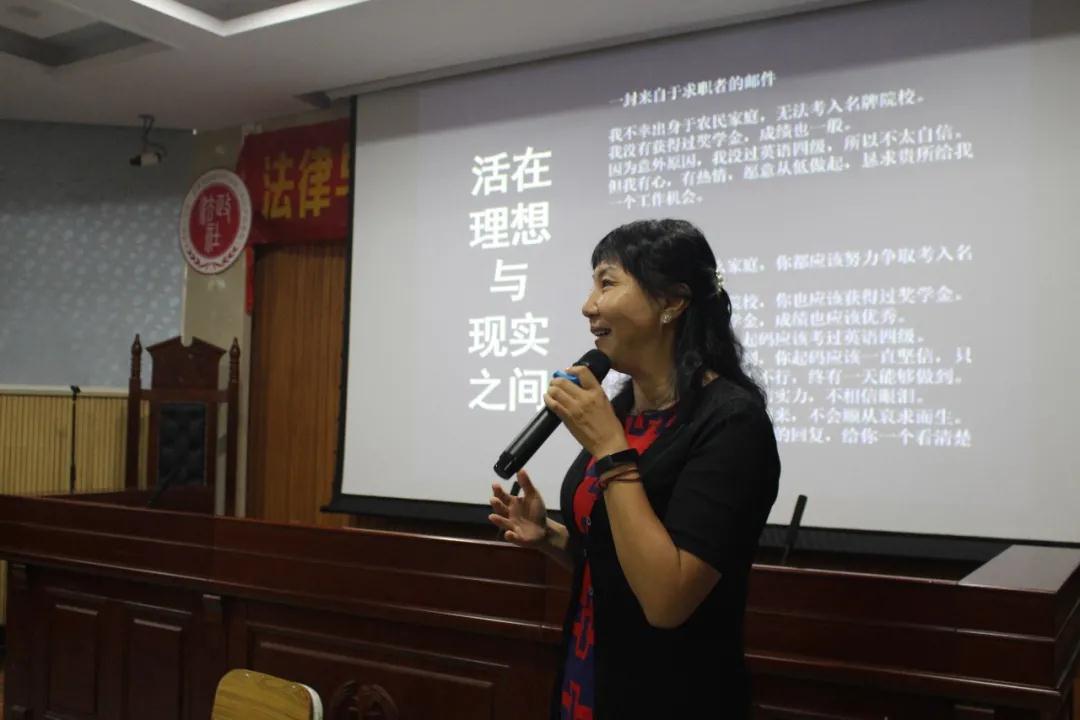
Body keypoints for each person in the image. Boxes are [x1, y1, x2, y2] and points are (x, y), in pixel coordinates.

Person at [488, 219, 780, 719]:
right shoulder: (623, 411)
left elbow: (667, 599)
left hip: (673, 697)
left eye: (607, 283)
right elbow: (619, 559)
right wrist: (551, 537)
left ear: (672, 301)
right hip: (588, 680)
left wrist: (609, 449)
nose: (588, 306)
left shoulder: (732, 422)